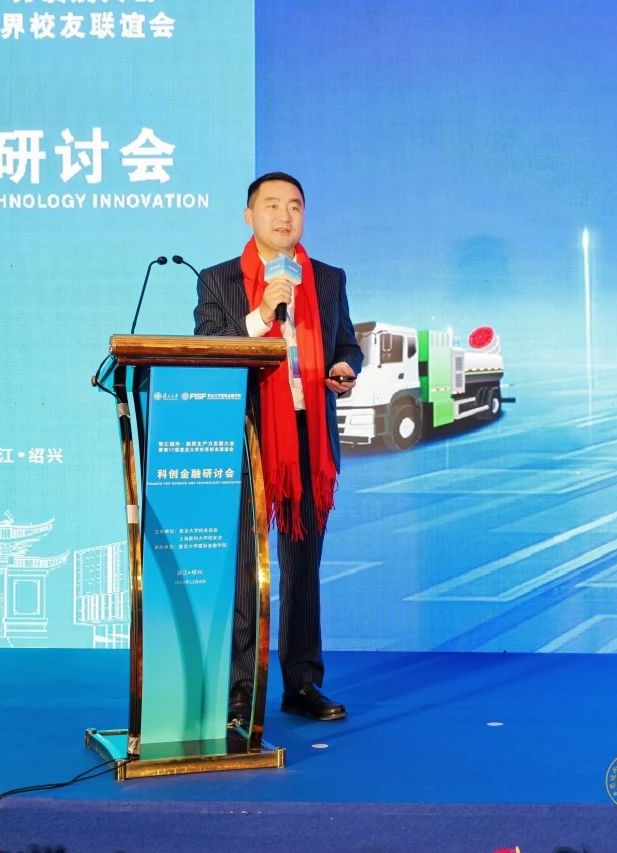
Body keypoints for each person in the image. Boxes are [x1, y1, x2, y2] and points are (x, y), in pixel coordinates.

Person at [194, 171, 363, 722]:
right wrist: (263, 314)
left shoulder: (328, 279)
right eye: (271, 205)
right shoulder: (218, 280)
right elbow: (208, 346)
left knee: (302, 567)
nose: (284, 216)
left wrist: (345, 368)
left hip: (308, 434)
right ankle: (241, 689)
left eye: (294, 206)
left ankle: (301, 683)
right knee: (247, 567)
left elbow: (347, 345)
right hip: (248, 434)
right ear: (250, 216)